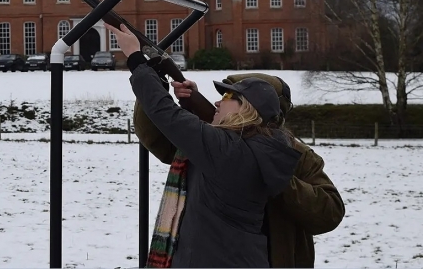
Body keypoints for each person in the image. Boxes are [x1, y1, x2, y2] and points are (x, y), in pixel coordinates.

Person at [105, 23, 302, 268]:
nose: (219, 102)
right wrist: (193, 101)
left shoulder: (228, 149)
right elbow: (209, 133)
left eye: (230, 97)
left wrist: (135, 58)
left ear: (247, 110)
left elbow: (166, 114)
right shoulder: (258, 147)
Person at [133, 71, 345, 267]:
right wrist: (177, 98)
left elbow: (330, 213)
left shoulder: (297, 155)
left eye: (228, 97)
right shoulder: (214, 142)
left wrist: (276, 176)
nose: (219, 102)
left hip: (278, 258)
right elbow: (158, 141)